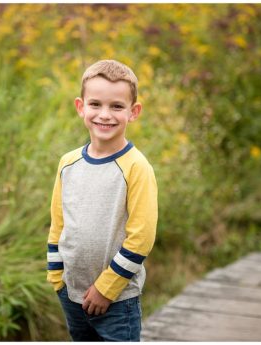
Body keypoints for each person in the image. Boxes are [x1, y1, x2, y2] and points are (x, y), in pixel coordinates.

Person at [46, 60, 159, 341]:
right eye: (95, 104)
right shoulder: (68, 163)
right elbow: (58, 222)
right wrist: (56, 275)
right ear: (80, 107)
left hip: (117, 300)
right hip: (71, 292)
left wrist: (106, 289)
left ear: (133, 112)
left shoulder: (136, 167)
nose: (104, 115)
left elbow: (141, 237)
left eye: (117, 106)